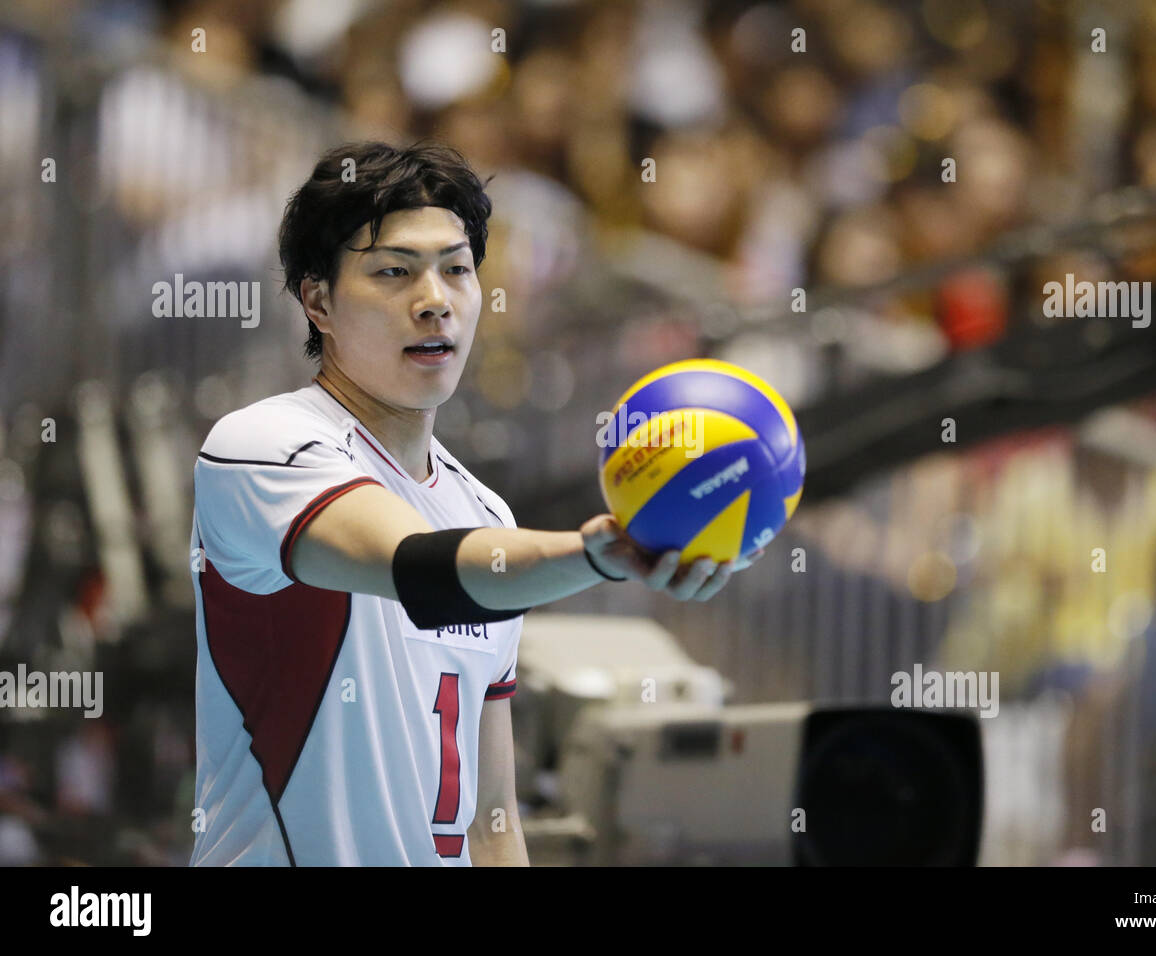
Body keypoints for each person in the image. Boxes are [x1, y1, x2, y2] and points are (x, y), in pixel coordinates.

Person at [188, 141, 751, 866]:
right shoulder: (264, 445)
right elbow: (418, 566)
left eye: (456, 270)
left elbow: (491, 824)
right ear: (318, 301)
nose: (434, 300)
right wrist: (599, 554)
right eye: (394, 272)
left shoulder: (488, 516)